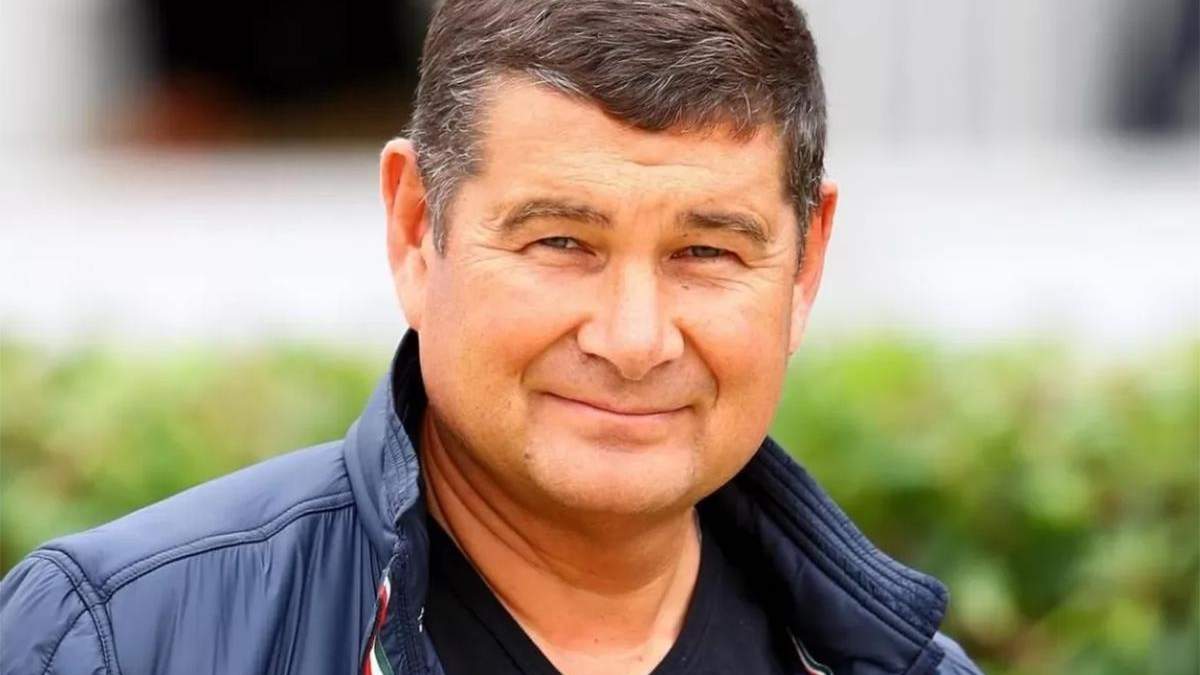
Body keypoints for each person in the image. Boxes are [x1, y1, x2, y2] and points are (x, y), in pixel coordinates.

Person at [0, 1, 983, 673]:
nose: (633, 339)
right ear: (413, 228)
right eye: (561, 242)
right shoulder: (118, 641)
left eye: (706, 252)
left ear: (805, 265)